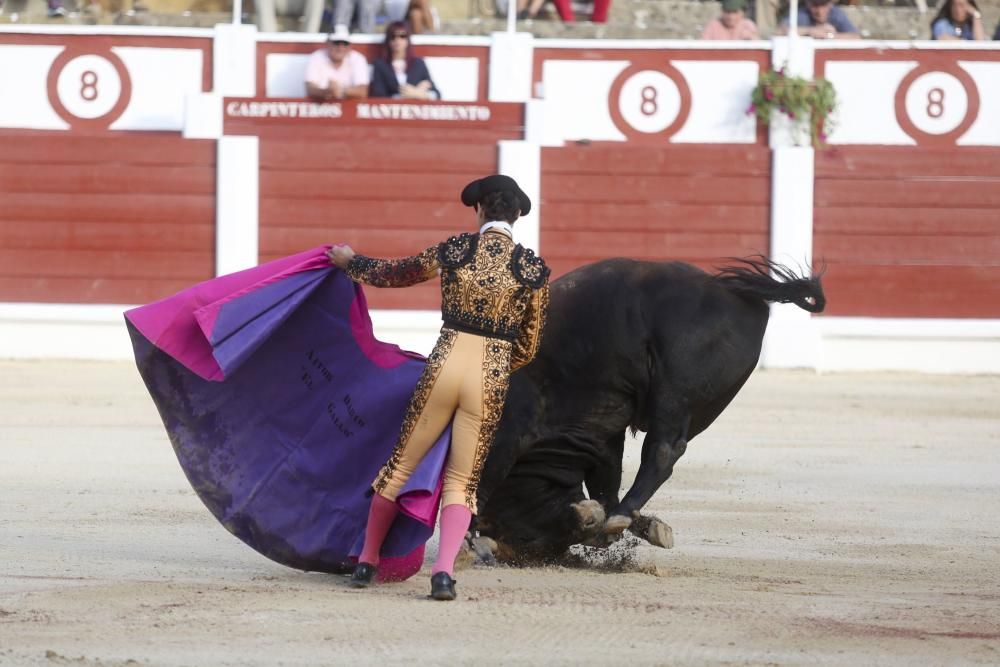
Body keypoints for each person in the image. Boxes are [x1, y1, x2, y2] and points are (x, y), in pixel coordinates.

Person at [326, 175, 550, 601]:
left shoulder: (456, 250)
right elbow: (530, 343)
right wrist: (499, 365)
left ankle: (367, 561)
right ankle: (443, 573)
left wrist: (351, 262)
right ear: (517, 216)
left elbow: (397, 273)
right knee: (462, 481)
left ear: (480, 210)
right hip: (490, 374)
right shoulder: (532, 270)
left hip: (446, 363)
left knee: (399, 467)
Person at [369, 21, 440, 100]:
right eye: (393, 36)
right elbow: (379, 95)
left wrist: (417, 93)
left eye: (402, 36)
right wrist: (407, 95)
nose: (397, 40)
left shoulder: (418, 63)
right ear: (388, 40)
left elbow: (436, 94)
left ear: (408, 39)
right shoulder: (380, 65)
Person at [305, 25, 370, 101]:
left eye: (345, 43)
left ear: (350, 46)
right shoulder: (316, 57)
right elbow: (310, 88)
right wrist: (327, 92)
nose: (340, 48)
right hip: (320, 107)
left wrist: (340, 90)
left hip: (350, 108)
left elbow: (362, 91)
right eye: (336, 43)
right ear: (327, 43)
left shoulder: (357, 59)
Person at [779, 0, 860, 39]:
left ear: (831, 4)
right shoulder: (802, 15)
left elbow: (855, 36)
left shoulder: (836, 14)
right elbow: (780, 31)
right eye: (815, 6)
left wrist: (829, 36)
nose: (820, 12)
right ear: (808, 3)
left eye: (823, 5)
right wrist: (810, 31)